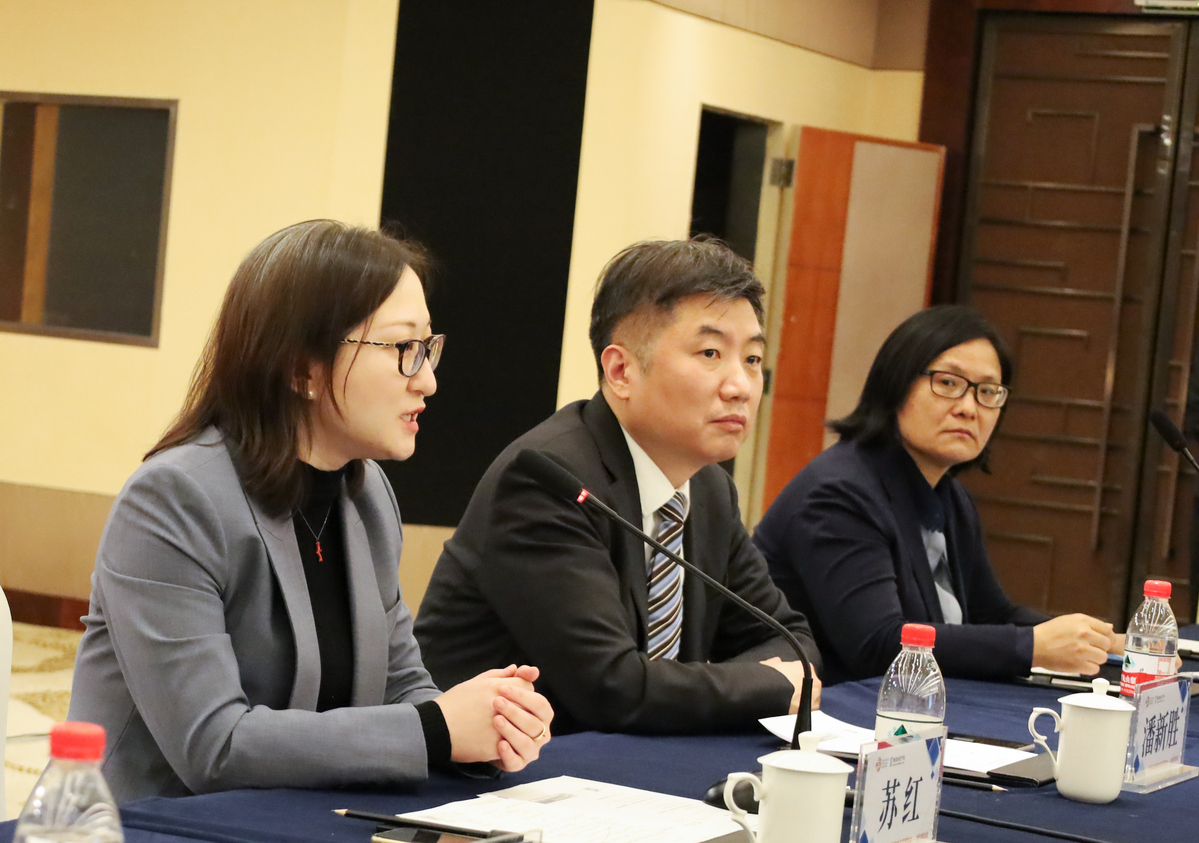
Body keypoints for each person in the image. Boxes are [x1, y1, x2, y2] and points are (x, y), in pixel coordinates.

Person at [68, 221, 553, 803]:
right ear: (303, 369)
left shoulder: (366, 495)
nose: (427, 379)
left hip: (301, 814)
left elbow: (401, 687)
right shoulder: (174, 500)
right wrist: (436, 730)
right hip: (153, 825)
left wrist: (488, 726)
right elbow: (214, 748)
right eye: (404, 350)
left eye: (428, 347)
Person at [414, 238, 821, 734]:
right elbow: (612, 689)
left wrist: (760, 677)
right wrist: (771, 685)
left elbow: (791, 641)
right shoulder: (547, 480)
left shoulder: (709, 489)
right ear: (621, 370)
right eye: (711, 353)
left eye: (753, 359)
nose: (739, 386)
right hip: (500, 766)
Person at [754, 305, 1121, 686]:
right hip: (819, 709)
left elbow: (991, 614)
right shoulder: (839, 494)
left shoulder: (948, 495)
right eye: (948, 383)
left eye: (988, 392)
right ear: (896, 384)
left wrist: (1102, 643)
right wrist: (1031, 647)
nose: (969, 408)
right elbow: (878, 645)